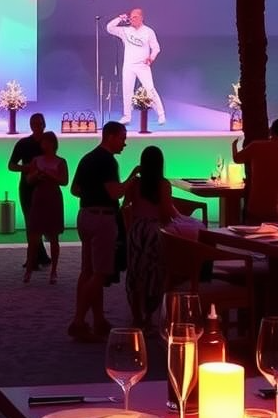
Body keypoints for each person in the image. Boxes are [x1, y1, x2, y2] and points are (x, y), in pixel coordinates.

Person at [68, 120, 132, 343]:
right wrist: (131, 180)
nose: (125, 143)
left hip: (85, 216)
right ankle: (77, 321)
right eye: (123, 138)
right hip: (103, 219)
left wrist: (92, 191)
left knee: (87, 271)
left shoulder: (87, 158)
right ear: (111, 136)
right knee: (100, 273)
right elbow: (115, 194)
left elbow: (75, 189)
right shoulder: (108, 162)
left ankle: (98, 320)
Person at [122, 145, 178, 330]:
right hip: (155, 231)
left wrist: (132, 174)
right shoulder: (163, 184)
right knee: (154, 274)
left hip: (137, 230)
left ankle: (135, 315)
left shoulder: (135, 184)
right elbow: (166, 211)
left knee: (135, 273)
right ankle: (148, 317)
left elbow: (125, 206)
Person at [231, 118, 278, 223]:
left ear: (271, 131)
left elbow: (237, 159)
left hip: (255, 206)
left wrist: (234, 145)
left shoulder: (256, 146)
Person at [106, 8, 166, 126]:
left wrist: (151, 57)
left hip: (143, 66)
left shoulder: (148, 31)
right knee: (127, 91)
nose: (132, 19)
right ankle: (127, 116)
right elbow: (109, 28)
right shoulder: (125, 31)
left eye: (135, 17)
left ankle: (161, 115)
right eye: (131, 17)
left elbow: (156, 47)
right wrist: (119, 18)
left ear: (141, 18)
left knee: (150, 90)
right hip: (128, 66)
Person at [22, 131, 67, 284]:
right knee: (33, 237)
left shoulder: (61, 161)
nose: (44, 145)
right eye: (43, 142)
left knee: (54, 237)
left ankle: (54, 270)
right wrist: (36, 176)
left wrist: (50, 175)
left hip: (53, 198)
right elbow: (28, 180)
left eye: (47, 142)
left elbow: (64, 181)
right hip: (39, 197)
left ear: (53, 144)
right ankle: (29, 269)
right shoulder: (36, 160)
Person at [7, 112, 50, 268]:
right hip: (27, 187)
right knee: (31, 223)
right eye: (34, 124)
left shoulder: (49, 144)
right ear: (31, 126)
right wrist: (26, 168)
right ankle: (35, 257)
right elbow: (11, 165)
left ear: (44, 125)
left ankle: (39, 256)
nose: (37, 126)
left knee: (41, 222)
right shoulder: (23, 144)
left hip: (45, 187)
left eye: (39, 124)